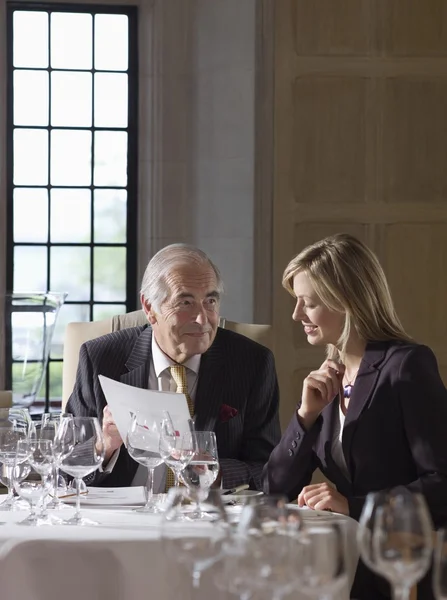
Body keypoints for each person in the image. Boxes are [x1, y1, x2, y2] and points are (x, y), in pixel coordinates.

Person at [263, 233, 447, 600]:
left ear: (346, 301)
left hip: (400, 572)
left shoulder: (406, 365)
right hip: (339, 565)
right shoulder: (329, 375)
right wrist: (306, 416)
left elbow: (442, 481)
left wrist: (354, 506)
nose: (297, 314)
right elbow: (274, 489)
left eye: (308, 303)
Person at [67, 243, 280, 491]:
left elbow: (271, 469)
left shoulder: (251, 363)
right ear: (149, 308)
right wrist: (104, 445)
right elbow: (64, 468)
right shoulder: (101, 359)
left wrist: (215, 473)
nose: (202, 319)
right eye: (185, 303)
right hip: (121, 519)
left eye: (210, 301)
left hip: (207, 519)